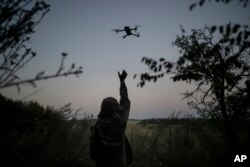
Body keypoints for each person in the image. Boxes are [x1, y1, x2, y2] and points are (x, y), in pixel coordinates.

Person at [89, 70, 132, 167]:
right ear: (117, 107)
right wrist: (122, 82)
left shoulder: (99, 124)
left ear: (103, 108)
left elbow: (93, 147)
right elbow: (125, 100)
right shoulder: (121, 121)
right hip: (119, 163)